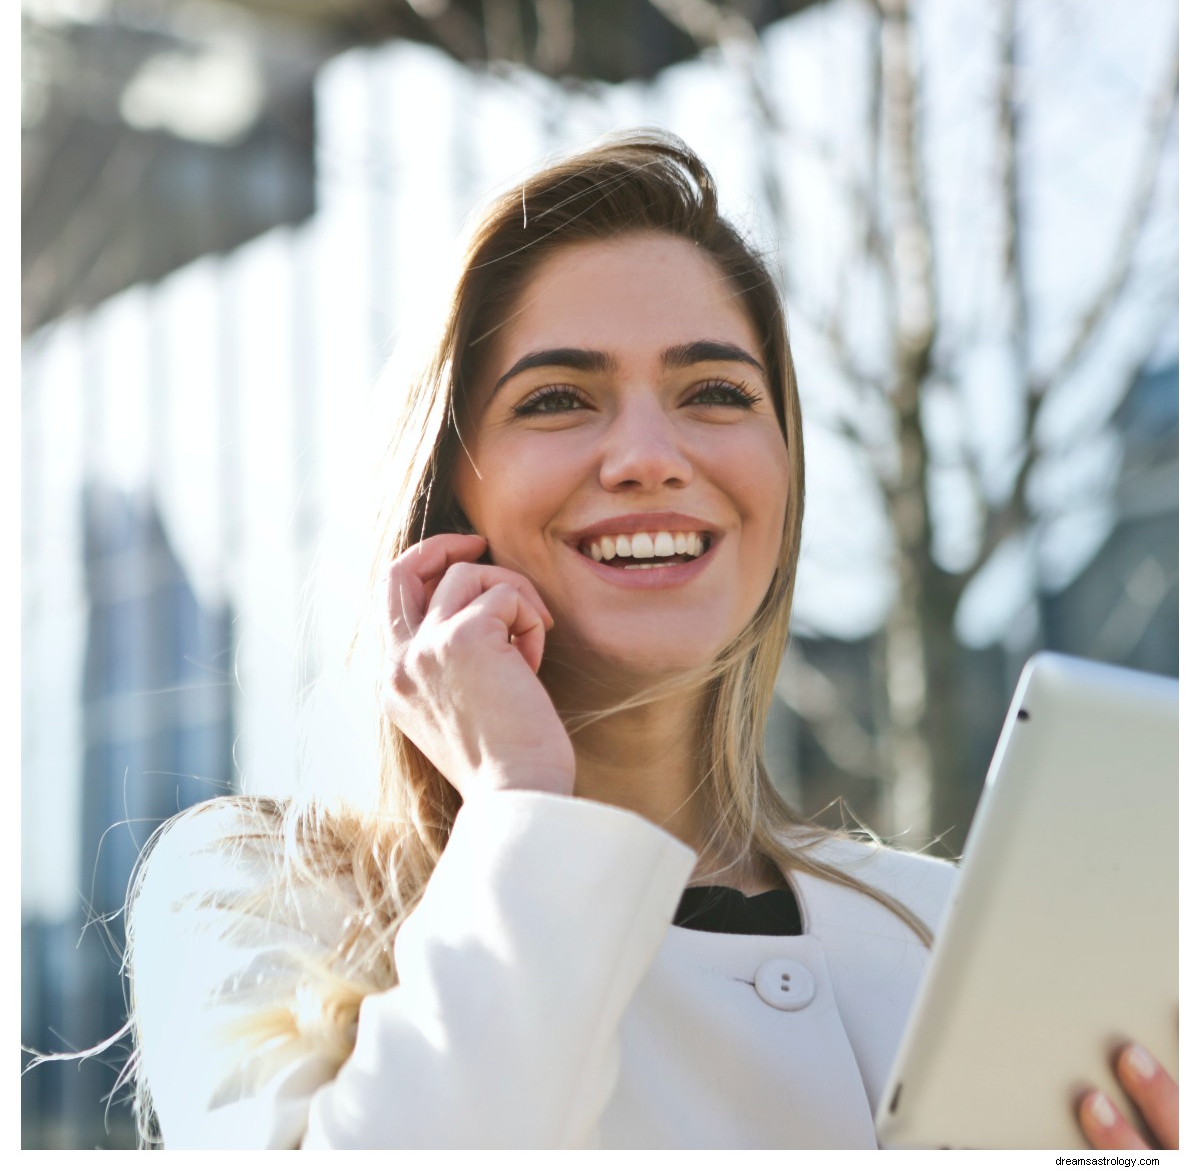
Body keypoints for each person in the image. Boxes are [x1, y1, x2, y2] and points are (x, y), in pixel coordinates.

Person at [125, 130, 1177, 1150]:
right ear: (444, 494)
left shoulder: (953, 935)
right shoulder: (256, 898)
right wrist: (524, 805)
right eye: (558, 398)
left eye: (715, 392)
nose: (647, 455)